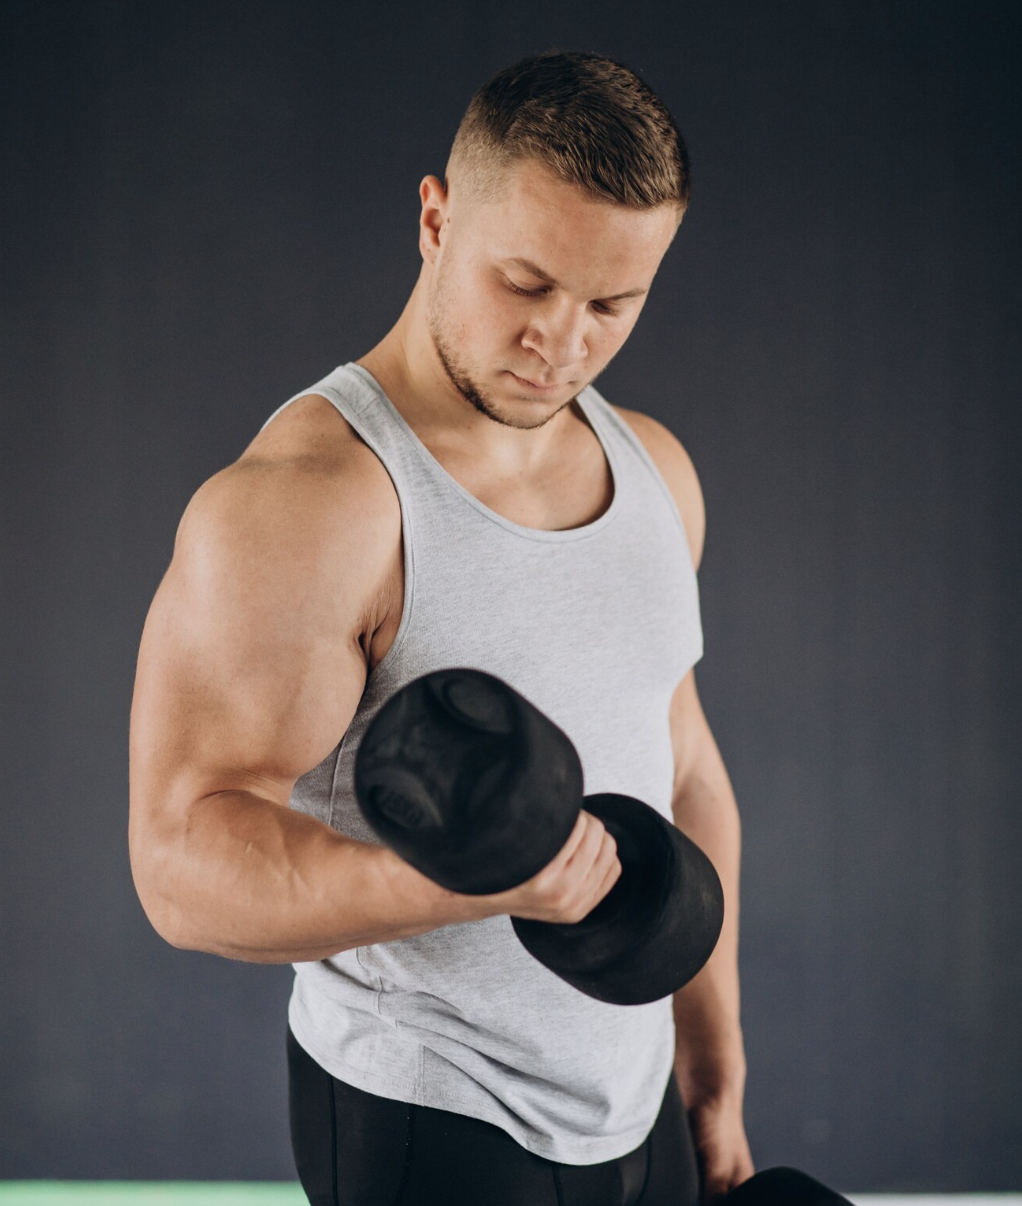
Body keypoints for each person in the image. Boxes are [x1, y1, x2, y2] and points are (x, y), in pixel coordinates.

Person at [129, 50, 754, 1206]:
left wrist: (712, 1066)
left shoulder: (657, 473)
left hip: (636, 1097)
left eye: (611, 304)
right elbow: (181, 864)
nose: (561, 343)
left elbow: (685, 772)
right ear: (434, 218)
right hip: (428, 1108)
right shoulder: (308, 505)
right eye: (525, 284)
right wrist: (480, 883)